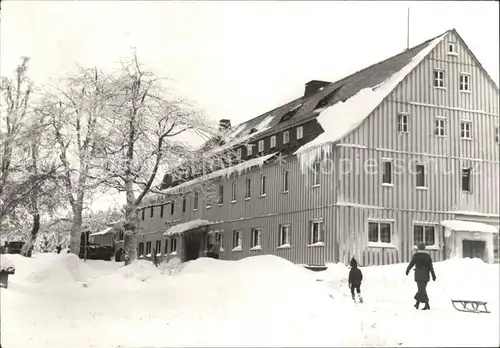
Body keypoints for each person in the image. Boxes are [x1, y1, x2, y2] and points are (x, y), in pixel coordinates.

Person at [406, 242, 436, 310]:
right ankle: (422, 304)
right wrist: (433, 275)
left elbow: (411, 264)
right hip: (425, 275)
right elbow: (431, 267)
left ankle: (421, 303)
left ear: (418, 248)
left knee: (421, 289)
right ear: (424, 248)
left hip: (418, 275)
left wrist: (408, 270)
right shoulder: (427, 256)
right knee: (422, 289)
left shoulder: (416, 256)